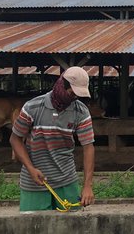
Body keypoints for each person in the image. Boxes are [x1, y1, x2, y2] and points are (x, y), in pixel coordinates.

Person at [10, 67, 95, 212]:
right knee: (33, 227)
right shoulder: (33, 107)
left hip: (67, 180)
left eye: (77, 95)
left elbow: (88, 147)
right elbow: (15, 139)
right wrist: (30, 169)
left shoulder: (81, 111)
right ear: (62, 85)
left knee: (70, 227)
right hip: (34, 181)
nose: (74, 97)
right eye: (71, 93)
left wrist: (87, 185)